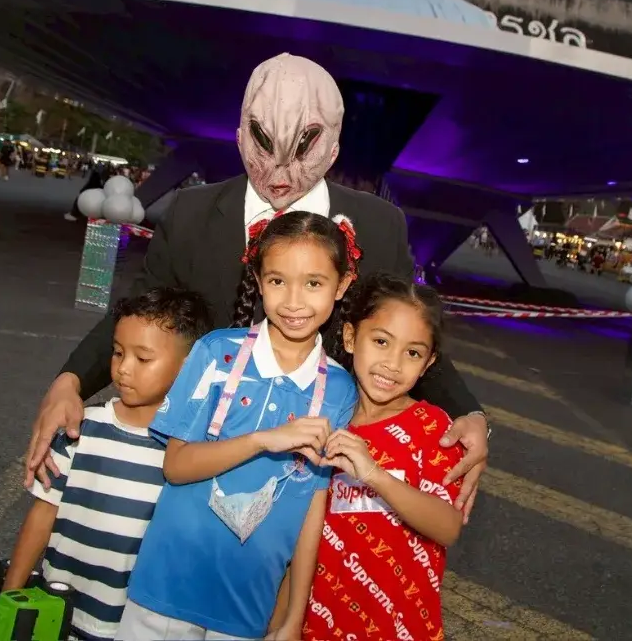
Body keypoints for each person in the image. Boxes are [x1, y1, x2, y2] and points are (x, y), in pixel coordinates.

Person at [26, 54, 490, 518]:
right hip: (192, 456)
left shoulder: (379, 226)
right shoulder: (191, 214)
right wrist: (71, 381)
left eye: (302, 152)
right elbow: (140, 311)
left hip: (313, 477)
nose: (280, 175)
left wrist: (469, 414)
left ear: (333, 150)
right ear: (240, 137)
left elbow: (410, 332)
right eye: (264, 147)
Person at [115, 211, 360, 640]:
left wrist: (293, 615)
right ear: (259, 280)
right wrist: (263, 440)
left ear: (341, 285)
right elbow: (176, 466)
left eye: (314, 283)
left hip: (249, 603)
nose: (294, 301)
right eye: (278, 280)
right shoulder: (216, 353)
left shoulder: (340, 390)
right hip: (166, 585)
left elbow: (312, 511)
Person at [3, 287, 213, 641]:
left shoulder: (187, 454)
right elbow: (43, 514)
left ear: (189, 367)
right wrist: (11, 592)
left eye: (143, 358)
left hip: (130, 625)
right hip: (57, 610)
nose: (123, 369)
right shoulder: (81, 429)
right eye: (117, 352)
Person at [299, 273, 464, 641]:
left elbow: (448, 526)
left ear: (428, 362)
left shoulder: (432, 427)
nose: (393, 364)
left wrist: (375, 475)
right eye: (381, 341)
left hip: (402, 627)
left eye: (412, 353)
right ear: (350, 337)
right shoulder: (324, 418)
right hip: (320, 624)